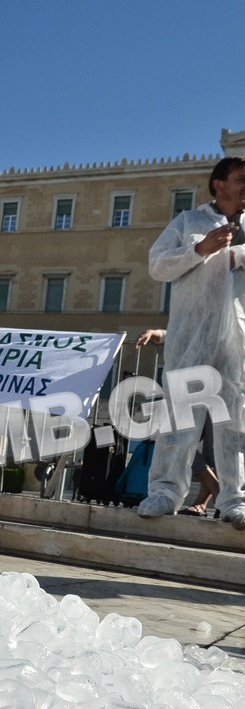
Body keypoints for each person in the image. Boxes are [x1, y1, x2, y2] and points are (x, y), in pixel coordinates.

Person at [137, 157, 245, 530]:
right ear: (218, 184)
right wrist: (201, 250)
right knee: (181, 416)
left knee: (237, 422)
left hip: (239, 342)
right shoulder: (188, 223)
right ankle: (165, 492)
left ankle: (235, 499)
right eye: (241, 179)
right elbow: (157, 265)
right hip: (192, 336)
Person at [135, 328, 221, 517]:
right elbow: (187, 327)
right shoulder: (202, 311)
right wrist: (156, 333)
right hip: (188, 391)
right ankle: (217, 490)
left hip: (221, 390)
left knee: (215, 451)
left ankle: (202, 503)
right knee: (176, 441)